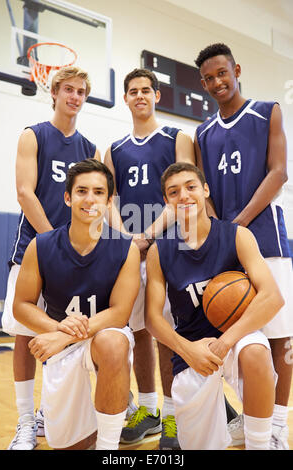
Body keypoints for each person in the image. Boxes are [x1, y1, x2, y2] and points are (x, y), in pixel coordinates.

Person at [194, 43, 293, 450]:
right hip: (227, 244)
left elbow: (279, 172)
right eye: (209, 78)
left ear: (236, 69)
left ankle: (278, 426)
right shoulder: (201, 132)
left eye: (222, 73)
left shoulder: (267, 110)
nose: (217, 82)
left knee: (280, 337)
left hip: (265, 237)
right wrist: (220, 228)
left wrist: (237, 224)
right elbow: (204, 191)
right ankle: (254, 418)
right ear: (202, 83)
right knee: (240, 333)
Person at [145, 161, 284, 450]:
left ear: (205, 190)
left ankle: (261, 443)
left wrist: (226, 342)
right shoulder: (161, 250)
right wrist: (188, 350)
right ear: (166, 201)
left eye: (191, 187)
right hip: (192, 350)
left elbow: (272, 297)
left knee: (256, 349)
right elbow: (153, 320)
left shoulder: (237, 235)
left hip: (236, 340)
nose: (183, 196)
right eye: (174, 192)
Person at [2, 66, 101, 450]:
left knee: (63, 335)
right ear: (55, 93)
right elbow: (25, 193)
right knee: (26, 334)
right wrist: (52, 242)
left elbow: (98, 205)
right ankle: (26, 421)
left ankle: (47, 413)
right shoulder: (33, 135)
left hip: (76, 256)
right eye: (68, 90)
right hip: (34, 249)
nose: (75, 97)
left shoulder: (90, 148)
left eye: (81, 92)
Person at [12, 158, 140, 450]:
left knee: (113, 343)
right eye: (82, 191)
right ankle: (83, 423)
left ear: (109, 201)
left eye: (98, 192)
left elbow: (120, 313)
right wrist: (57, 327)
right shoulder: (40, 245)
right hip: (61, 347)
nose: (90, 199)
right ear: (68, 197)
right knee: (69, 445)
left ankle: (108, 446)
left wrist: (64, 333)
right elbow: (22, 305)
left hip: (102, 335)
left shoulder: (125, 248)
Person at [104, 68, 195, 449]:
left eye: (146, 90)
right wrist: (126, 240)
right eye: (133, 91)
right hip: (129, 252)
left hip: (170, 247)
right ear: (124, 98)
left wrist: (148, 235)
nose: (140, 96)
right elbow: (108, 199)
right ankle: (147, 411)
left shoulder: (177, 138)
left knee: (167, 335)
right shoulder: (113, 149)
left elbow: (184, 193)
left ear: (157, 95)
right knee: (139, 332)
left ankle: (174, 416)